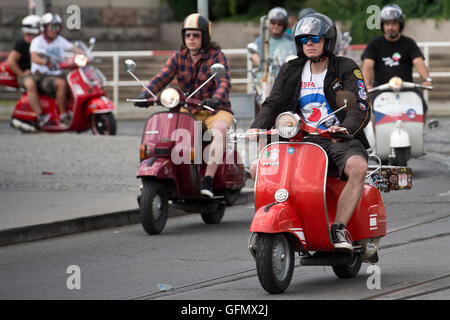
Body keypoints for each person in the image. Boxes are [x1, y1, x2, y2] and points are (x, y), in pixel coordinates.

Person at [247, 13, 371, 252]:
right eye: (304, 40)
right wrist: (258, 125)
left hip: (336, 138)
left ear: (328, 41)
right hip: (298, 138)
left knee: (358, 167)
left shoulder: (345, 68)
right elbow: (273, 102)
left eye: (315, 38)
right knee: (257, 168)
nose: (309, 44)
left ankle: (339, 227)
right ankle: (275, 222)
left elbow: (360, 106)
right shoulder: (291, 69)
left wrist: (345, 128)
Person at [134, 13, 234, 198]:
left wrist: (215, 99)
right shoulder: (178, 57)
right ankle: (156, 178)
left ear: (204, 36)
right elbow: (161, 77)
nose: (191, 39)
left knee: (219, 132)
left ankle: (207, 180)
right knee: (165, 132)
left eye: (196, 35)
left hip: (216, 110)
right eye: (187, 35)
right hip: (189, 110)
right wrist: (144, 94)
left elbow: (224, 83)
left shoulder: (217, 57)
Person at [361, 4, 432, 114]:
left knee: (422, 107)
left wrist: (426, 79)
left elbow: (418, 61)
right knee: (372, 112)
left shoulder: (409, 43)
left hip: (406, 88)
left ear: (400, 25)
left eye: (394, 23)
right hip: (381, 89)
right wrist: (367, 85)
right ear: (382, 25)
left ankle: (421, 131)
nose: (390, 27)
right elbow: (368, 64)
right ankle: (375, 131)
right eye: (387, 24)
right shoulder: (374, 43)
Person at [30, 13, 76, 125]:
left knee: (75, 79)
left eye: (57, 27)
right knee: (61, 84)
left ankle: (74, 110)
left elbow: (73, 48)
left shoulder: (59, 40)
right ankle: (63, 115)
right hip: (42, 74)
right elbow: (34, 57)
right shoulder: (38, 41)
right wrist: (45, 62)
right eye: (51, 27)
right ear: (44, 28)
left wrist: (86, 54)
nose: (54, 30)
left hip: (58, 72)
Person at [7, 15, 50, 128]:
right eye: (40, 27)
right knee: (31, 85)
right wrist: (21, 73)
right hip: (26, 75)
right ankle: (40, 115)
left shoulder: (41, 42)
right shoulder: (22, 44)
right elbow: (11, 61)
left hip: (39, 73)